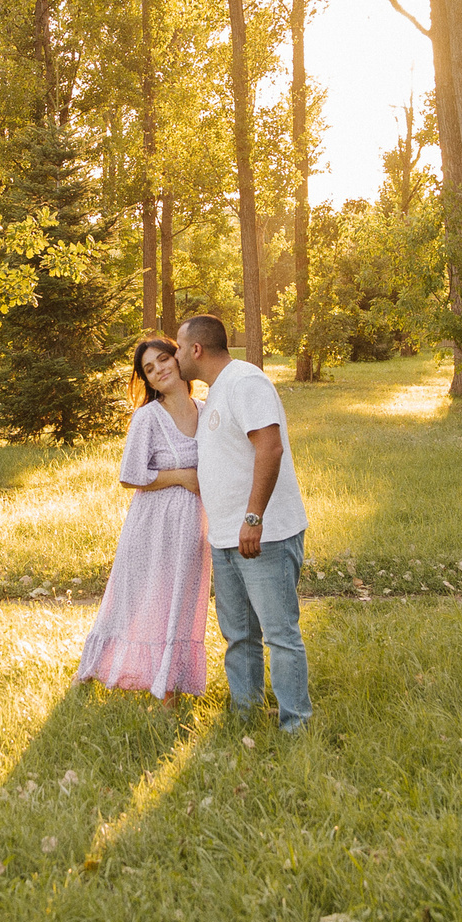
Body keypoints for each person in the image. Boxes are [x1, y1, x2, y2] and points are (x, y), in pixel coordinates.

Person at [172, 314, 310, 733]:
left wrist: (254, 518)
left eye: (179, 348)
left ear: (196, 350)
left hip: (263, 534)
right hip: (227, 536)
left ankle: (295, 725)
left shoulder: (246, 382)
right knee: (239, 635)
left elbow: (270, 449)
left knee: (279, 634)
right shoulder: (217, 392)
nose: (176, 356)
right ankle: (247, 716)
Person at [74, 337, 211, 704]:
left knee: (181, 599)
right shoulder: (147, 417)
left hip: (194, 525)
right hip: (152, 523)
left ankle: (170, 690)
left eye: (163, 360)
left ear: (179, 360)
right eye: (149, 369)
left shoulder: (207, 407)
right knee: (133, 598)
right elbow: (130, 474)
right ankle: (88, 673)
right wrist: (182, 477)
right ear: (147, 381)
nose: (159, 370)